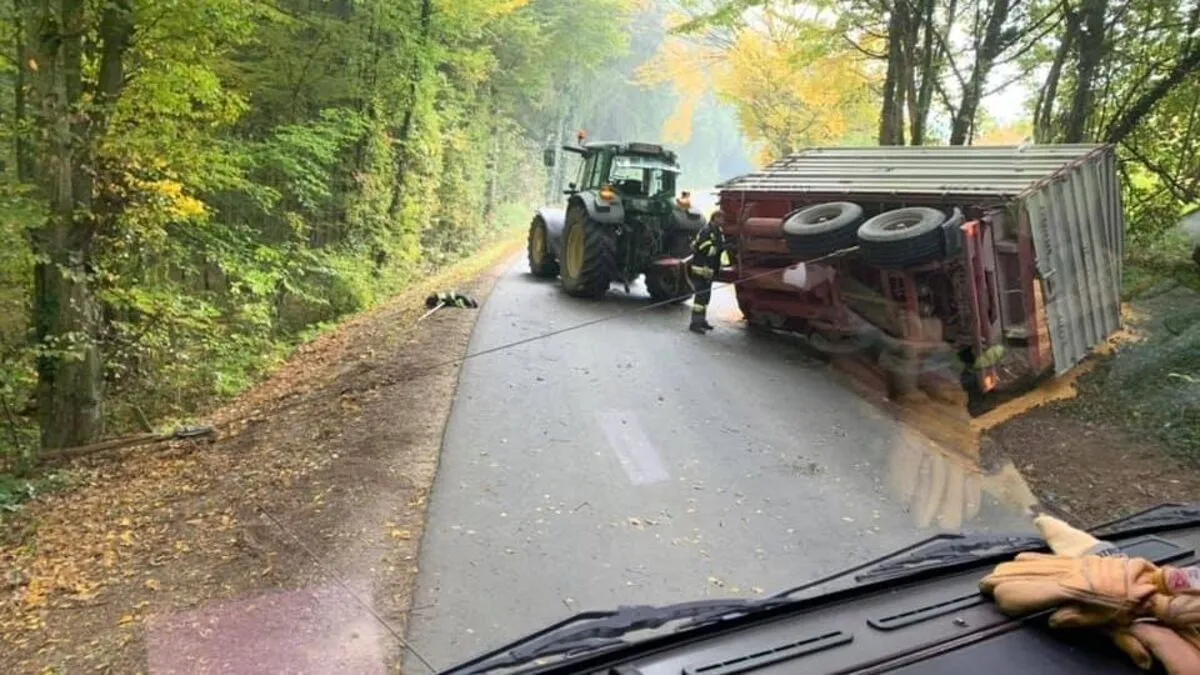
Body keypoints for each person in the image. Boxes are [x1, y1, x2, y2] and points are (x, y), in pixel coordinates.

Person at [688, 218, 727, 334]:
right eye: (721, 219)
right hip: (701, 269)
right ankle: (695, 324)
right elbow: (705, 249)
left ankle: (702, 321)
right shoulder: (706, 231)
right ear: (715, 219)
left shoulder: (717, 231)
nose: (723, 222)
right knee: (699, 300)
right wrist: (720, 248)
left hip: (709, 270)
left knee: (705, 297)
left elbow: (720, 244)